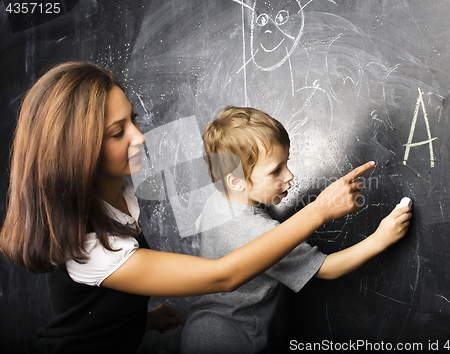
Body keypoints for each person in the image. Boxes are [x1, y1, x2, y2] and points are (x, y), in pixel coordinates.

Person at [0, 61, 376, 354]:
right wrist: (320, 210)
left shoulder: (119, 187)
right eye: (118, 132)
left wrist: (142, 321)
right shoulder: (89, 246)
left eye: (132, 118)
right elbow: (222, 276)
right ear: (76, 152)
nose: (139, 136)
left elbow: (91, 311)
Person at [180, 107, 412, 353]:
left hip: (199, 331)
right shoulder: (258, 232)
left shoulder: (217, 202)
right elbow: (328, 269)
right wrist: (380, 238)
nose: (289, 175)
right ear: (236, 180)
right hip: (231, 342)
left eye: (286, 163)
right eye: (275, 170)